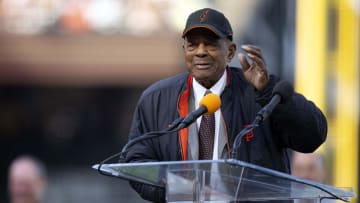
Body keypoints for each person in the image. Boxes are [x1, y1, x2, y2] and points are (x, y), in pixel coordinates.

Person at [124, 8, 327, 202]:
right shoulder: (156, 98)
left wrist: (266, 90)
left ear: (230, 52)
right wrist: (178, 188)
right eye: (192, 45)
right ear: (184, 49)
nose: (200, 52)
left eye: (210, 44)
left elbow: (312, 136)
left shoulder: (260, 91)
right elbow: (136, 162)